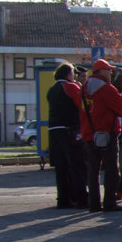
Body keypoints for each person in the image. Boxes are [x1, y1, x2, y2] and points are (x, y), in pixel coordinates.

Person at [78, 59, 122, 212]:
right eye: (108, 70)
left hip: (88, 133)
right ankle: (109, 202)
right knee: (112, 170)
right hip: (107, 133)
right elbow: (121, 109)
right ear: (100, 71)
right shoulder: (107, 89)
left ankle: (94, 204)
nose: (111, 72)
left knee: (93, 170)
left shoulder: (83, 88)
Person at [46, 63, 88, 208]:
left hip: (53, 129)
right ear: (68, 75)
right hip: (69, 129)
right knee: (77, 164)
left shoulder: (51, 90)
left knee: (61, 166)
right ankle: (82, 198)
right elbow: (81, 105)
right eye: (73, 73)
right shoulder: (71, 87)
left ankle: (63, 198)